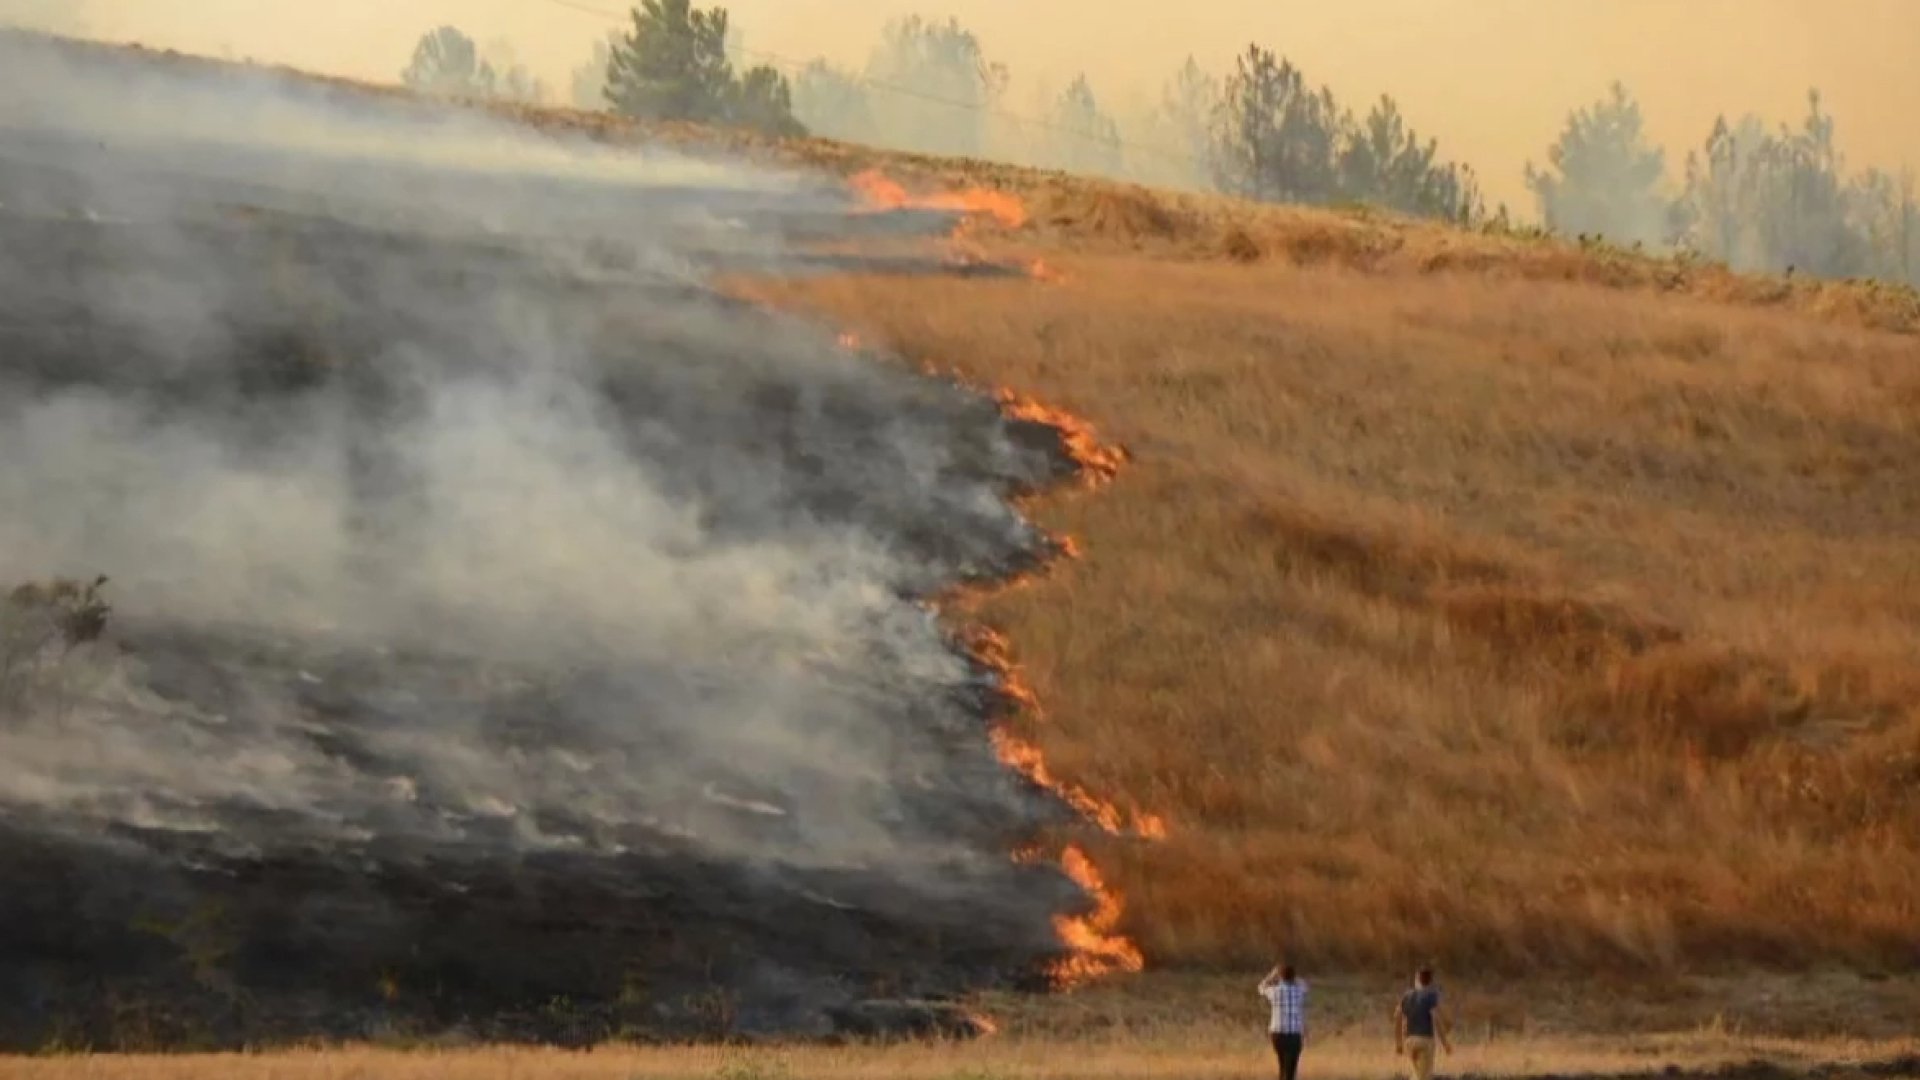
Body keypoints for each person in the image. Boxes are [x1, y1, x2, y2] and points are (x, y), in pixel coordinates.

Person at [1394, 964, 1453, 1080]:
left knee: (1417, 1074)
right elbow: (1436, 1017)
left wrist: (1399, 1043)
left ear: (1417, 979)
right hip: (1425, 1041)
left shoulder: (1407, 996)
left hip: (1410, 1041)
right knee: (1424, 1077)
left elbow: (1397, 1016)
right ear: (1431, 981)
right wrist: (1445, 1043)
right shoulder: (1431, 995)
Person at [1258, 961, 1308, 1080]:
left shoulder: (1274, 991)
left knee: (1282, 1063)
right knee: (1291, 1067)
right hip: (1294, 1033)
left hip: (1277, 1033)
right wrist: (1296, 977)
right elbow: (1305, 986)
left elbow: (1261, 988)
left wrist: (1272, 974)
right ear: (1293, 977)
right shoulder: (1298, 991)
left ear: (1280, 977)